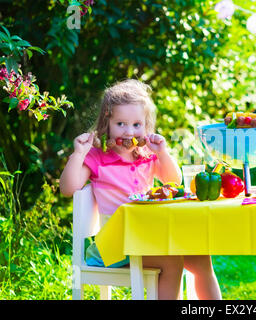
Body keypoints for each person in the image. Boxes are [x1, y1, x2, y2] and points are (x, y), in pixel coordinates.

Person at [60, 79, 221, 300]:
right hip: (115, 246)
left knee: (202, 257)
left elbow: (173, 181)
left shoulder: (147, 155)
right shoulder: (97, 157)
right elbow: (68, 188)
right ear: (106, 124)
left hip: (148, 237)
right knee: (172, 262)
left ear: (146, 126)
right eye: (121, 124)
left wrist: (162, 153)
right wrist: (78, 154)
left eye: (136, 125)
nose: (129, 132)